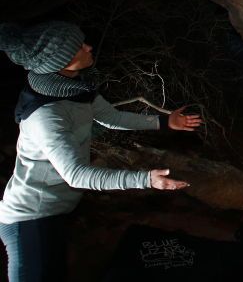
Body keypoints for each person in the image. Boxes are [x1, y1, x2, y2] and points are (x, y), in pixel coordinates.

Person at [0, 20, 202, 282]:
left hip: (53, 212)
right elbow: (76, 175)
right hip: (29, 218)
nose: (88, 46)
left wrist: (164, 122)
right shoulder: (46, 115)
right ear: (60, 62)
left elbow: (111, 117)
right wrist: (144, 179)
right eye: (78, 47)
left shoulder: (74, 88)